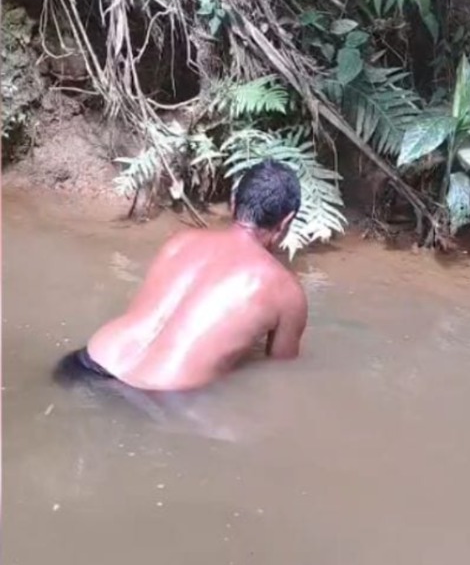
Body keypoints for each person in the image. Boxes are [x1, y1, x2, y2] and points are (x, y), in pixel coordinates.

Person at [54, 158, 310, 417]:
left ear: (233, 201)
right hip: (152, 400)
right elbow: (279, 372)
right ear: (287, 221)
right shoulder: (285, 291)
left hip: (85, 365)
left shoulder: (181, 241)